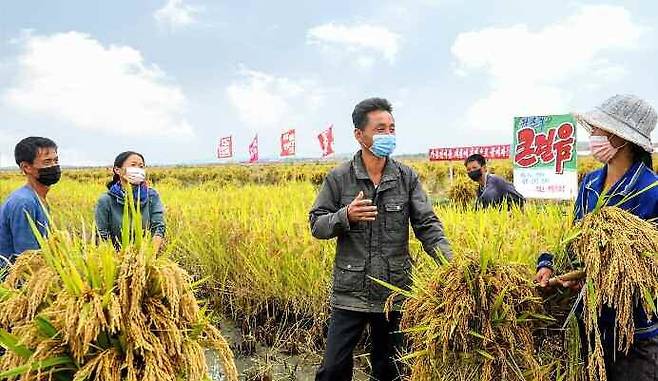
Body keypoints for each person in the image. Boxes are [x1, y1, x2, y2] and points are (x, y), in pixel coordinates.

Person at [309, 97, 453, 381]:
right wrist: (345, 216)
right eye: (380, 129)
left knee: (391, 369)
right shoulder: (339, 178)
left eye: (391, 128)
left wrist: (453, 266)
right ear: (359, 135)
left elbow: (427, 226)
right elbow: (317, 225)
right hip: (350, 293)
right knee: (333, 370)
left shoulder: (406, 177)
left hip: (394, 292)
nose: (388, 135)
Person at [535, 94, 658, 380]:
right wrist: (549, 264)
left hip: (633, 332)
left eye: (599, 129)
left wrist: (602, 276)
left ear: (621, 138)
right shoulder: (590, 184)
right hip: (590, 324)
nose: (593, 134)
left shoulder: (651, 192)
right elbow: (573, 240)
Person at [0, 137, 61, 267]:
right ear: (26, 167)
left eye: (56, 160)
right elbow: (27, 260)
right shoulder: (24, 203)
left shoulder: (38, 198)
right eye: (47, 162)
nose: (54, 166)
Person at [95, 151, 166, 252]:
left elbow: (158, 227)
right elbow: (102, 235)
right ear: (117, 170)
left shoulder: (151, 195)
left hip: (145, 255)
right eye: (133, 165)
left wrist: (149, 258)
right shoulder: (106, 200)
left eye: (141, 166)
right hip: (115, 258)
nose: (137, 169)